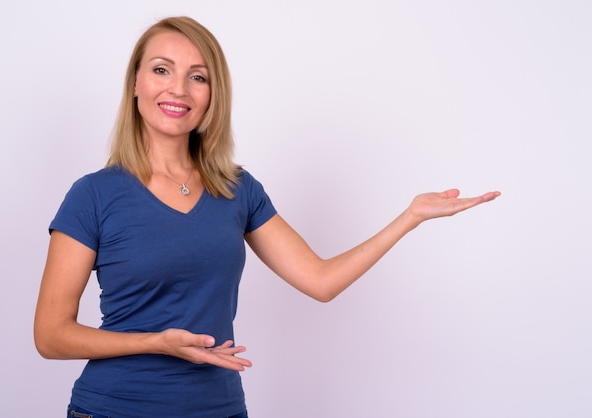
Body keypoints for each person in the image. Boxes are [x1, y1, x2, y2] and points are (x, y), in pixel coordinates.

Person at [34, 16, 500, 418]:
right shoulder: (93, 195)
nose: (178, 88)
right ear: (135, 82)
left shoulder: (237, 189)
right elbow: (51, 336)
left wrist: (409, 217)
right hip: (116, 407)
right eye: (162, 70)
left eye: (198, 76)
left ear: (213, 93)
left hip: (219, 408)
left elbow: (320, 281)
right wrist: (155, 342)